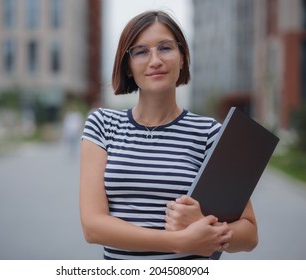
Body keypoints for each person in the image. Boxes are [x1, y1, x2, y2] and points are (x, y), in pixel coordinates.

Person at [80, 10, 258, 260]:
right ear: (128, 66)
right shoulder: (102, 125)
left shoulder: (210, 133)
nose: (155, 60)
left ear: (183, 57)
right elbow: (93, 227)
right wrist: (180, 241)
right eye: (141, 51)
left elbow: (250, 235)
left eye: (165, 48)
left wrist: (210, 228)